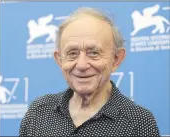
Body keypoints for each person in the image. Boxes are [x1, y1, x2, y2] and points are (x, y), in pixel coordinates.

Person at [19, 7, 160, 136]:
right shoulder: (38, 112)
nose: (81, 65)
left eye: (93, 52)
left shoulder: (139, 123)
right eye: (72, 53)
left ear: (116, 59)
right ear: (60, 60)